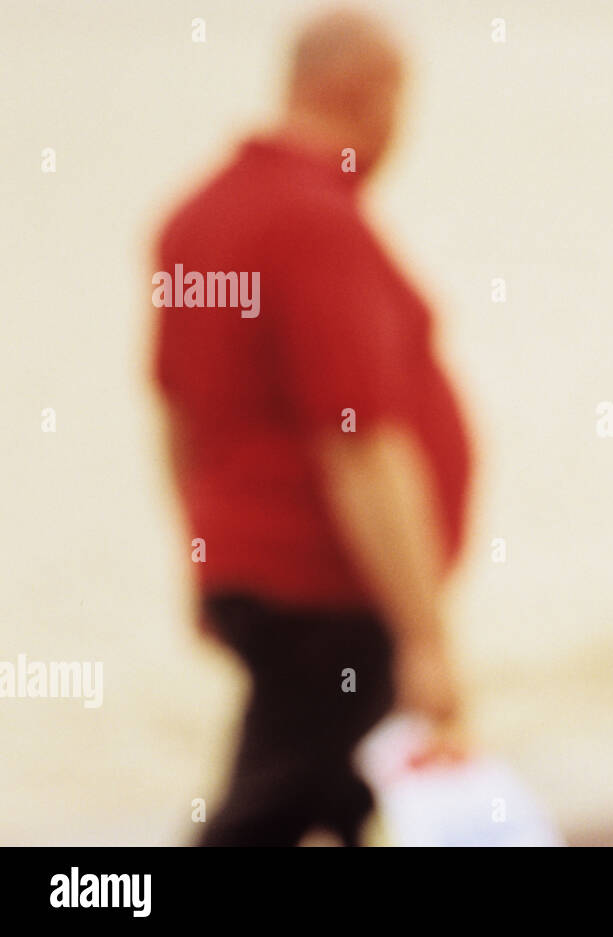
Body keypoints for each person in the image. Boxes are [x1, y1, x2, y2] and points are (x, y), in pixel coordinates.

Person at [152, 9, 473, 845]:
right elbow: (360, 443)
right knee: (272, 807)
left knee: (332, 792)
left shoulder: (196, 219)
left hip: (254, 581)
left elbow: (180, 420)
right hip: (324, 590)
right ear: (369, 95)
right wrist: (426, 637)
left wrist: (202, 561)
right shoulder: (315, 223)